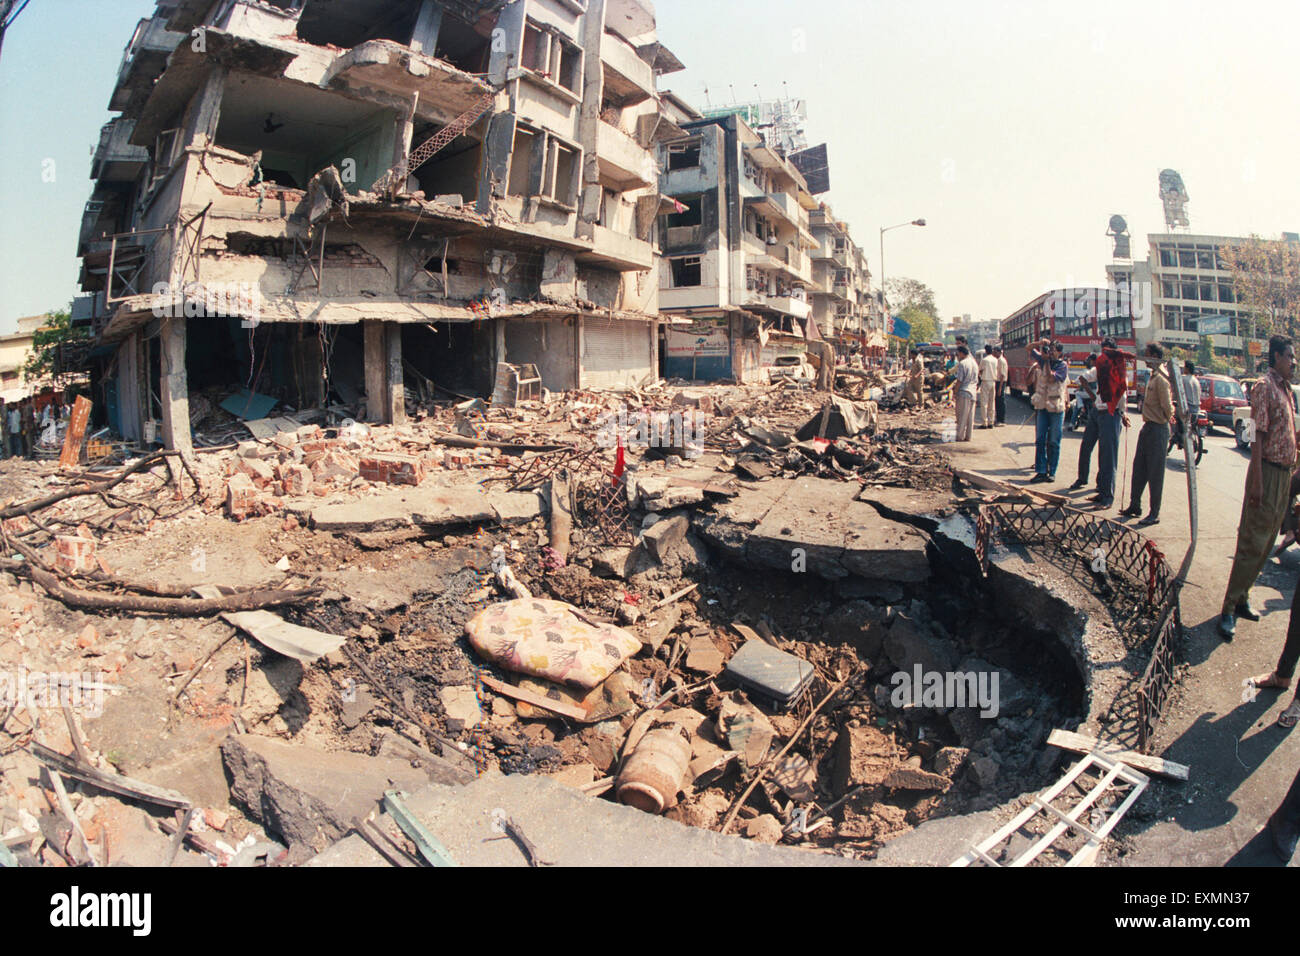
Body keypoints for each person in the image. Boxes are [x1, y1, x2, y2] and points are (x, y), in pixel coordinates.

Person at [1218, 335, 1298, 640]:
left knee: (1266, 545)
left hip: (1284, 475)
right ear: (1276, 356)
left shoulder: (1286, 389)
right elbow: (1256, 436)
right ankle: (1228, 608)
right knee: (1252, 542)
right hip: (1267, 472)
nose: (1293, 362)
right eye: (1289, 356)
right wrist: (1257, 480)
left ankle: (1242, 598)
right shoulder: (1264, 387)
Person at [1119, 344, 1174, 527]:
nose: (1146, 359)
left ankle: (1154, 513)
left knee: (1155, 473)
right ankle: (1135, 505)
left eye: (1148, 355)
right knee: (1139, 469)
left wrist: (1164, 421)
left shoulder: (1162, 379)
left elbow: (1167, 408)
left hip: (1158, 429)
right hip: (1148, 427)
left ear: (1156, 357)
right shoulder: (1153, 376)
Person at [1090, 337, 1130, 509]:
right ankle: (1102, 491)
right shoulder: (1103, 367)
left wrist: (1123, 412)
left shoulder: (1118, 369)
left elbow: (1122, 393)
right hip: (1101, 413)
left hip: (1112, 414)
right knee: (1103, 456)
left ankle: (1108, 497)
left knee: (1109, 458)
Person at [1028, 340, 1068, 483]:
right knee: (1040, 440)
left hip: (1056, 407)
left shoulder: (1062, 366)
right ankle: (1041, 470)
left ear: (1060, 353)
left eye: (1053, 350)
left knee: (1054, 441)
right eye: (1049, 349)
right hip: (1042, 406)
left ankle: (1052, 471)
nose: (1050, 352)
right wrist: (1039, 342)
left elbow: (1051, 378)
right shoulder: (1043, 360)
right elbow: (1028, 348)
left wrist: (1046, 362)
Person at [1070, 355, 1100, 490]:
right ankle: (1082, 478)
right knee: (1086, 447)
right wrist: (1093, 396)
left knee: (1104, 452)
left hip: (1109, 413)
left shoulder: (1115, 370)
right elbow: (1081, 379)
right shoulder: (1097, 370)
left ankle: (1101, 484)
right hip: (1097, 409)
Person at [953, 344, 979, 442]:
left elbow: (959, 380)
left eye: (958, 354)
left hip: (964, 391)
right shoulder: (974, 363)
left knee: (962, 416)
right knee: (970, 416)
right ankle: (968, 436)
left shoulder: (962, 363)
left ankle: (960, 436)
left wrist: (955, 392)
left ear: (961, 353)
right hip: (973, 392)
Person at [994, 345, 1008, 425]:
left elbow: (1002, 375)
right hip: (999, 382)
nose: (994, 354)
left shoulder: (1001, 361)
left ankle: (1001, 420)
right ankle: (998, 419)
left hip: (1000, 382)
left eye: (995, 352)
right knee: (998, 401)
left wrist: (1000, 388)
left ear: (999, 352)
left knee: (1000, 401)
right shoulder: (998, 360)